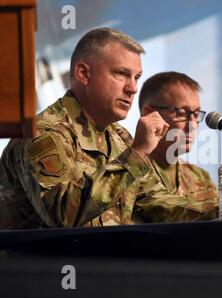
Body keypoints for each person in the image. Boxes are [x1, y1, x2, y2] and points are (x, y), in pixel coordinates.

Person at [0, 28, 169, 229]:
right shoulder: (43, 133)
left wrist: (215, 210)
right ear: (84, 73)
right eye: (121, 74)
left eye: (136, 77)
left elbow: (157, 205)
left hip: (104, 259)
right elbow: (64, 216)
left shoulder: (120, 137)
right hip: (44, 260)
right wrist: (137, 153)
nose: (132, 88)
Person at [133, 72, 218, 223]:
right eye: (181, 113)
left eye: (197, 114)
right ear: (150, 114)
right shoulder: (128, 166)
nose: (192, 125)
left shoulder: (200, 177)